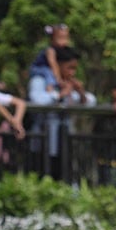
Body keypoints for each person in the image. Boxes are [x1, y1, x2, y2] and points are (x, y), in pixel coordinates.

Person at [28, 45, 92, 178]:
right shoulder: (40, 79)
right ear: (57, 65)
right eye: (70, 68)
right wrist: (59, 95)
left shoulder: (68, 84)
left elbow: (90, 102)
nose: (72, 73)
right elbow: (37, 100)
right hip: (42, 142)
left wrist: (80, 93)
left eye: (75, 68)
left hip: (64, 141)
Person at [30, 23, 70, 90]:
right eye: (60, 38)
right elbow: (53, 65)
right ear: (52, 39)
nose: (64, 41)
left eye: (66, 38)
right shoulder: (50, 50)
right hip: (37, 68)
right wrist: (59, 79)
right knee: (48, 72)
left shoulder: (63, 50)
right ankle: (50, 88)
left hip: (47, 69)